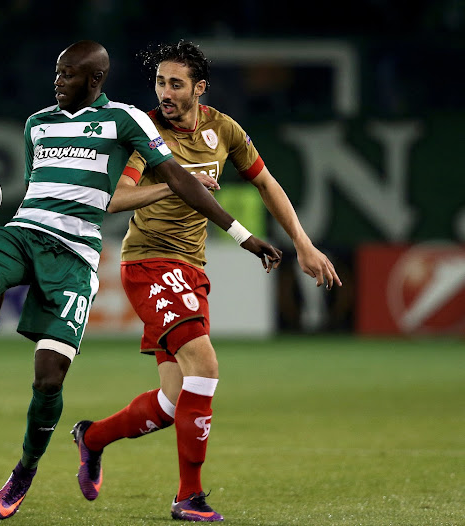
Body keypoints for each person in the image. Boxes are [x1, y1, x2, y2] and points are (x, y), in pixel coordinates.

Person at [0, 40, 281, 521]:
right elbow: (41, 194)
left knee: (49, 380)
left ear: (94, 80)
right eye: (56, 71)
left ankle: (25, 471)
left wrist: (241, 236)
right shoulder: (37, 124)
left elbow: (177, 178)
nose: (57, 81)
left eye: (67, 73)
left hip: (74, 257)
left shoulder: (126, 120)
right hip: (26, 234)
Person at [68, 41, 342, 522]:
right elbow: (118, 197)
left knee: (175, 403)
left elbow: (265, 181)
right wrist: (179, 179)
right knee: (206, 366)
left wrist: (302, 241)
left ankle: (91, 438)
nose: (165, 93)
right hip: (150, 263)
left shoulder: (223, 129)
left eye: (176, 84)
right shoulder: (148, 131)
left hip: (191, 268)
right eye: (160, 82)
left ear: (200, 88)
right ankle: (188, 498)